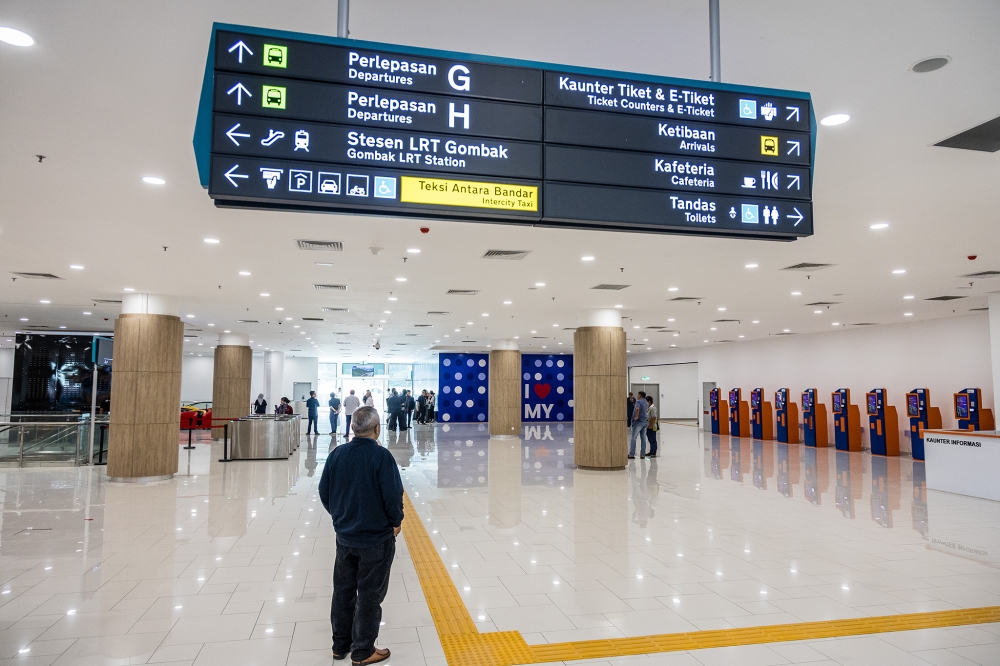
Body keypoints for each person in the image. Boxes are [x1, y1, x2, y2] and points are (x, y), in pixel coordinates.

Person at [318, 406, 402, 665]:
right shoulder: (381, 457)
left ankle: (340, 645)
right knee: (369, 594)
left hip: (345, 537)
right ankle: (363, 650)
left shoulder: (337, 454)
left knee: (343, 589)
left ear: (352, 428)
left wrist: (341, 517)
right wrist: (395, 522)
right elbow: (391, 495)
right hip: (375, 539)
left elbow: (324, 491)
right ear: (377, 429)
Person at [629, 391, 648, 459]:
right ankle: (642, 454)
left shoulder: (639, 402)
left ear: (640, 395)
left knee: (633, 438)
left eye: (638, 394)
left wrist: (636, 416)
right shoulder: (646, 402)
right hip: (644, 422)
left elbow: (637, 408)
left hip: (638, 422)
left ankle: (631, 454)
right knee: (643, 439)